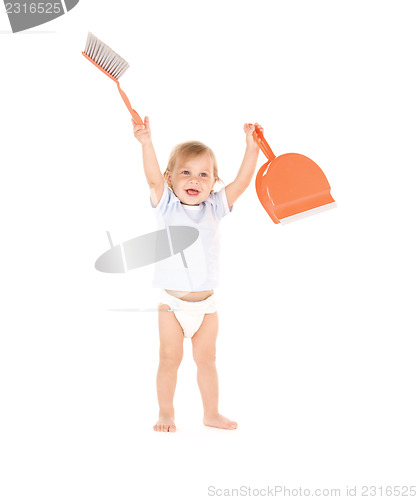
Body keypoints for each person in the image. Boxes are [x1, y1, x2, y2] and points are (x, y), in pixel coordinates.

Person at [132, 116, 262, 432]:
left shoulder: (215, 207)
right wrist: (147, 143)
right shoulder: (167, 206)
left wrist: (252, 147)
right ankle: (166, 413)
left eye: (204, 175)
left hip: (206, 307)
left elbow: (243, 182)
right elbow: (151, 179)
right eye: (186, 173)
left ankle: (211, 413)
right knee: (169, 361)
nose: (195, 180)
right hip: (172, 306)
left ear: (214, 182)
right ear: (171, 179)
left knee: (207, 363)